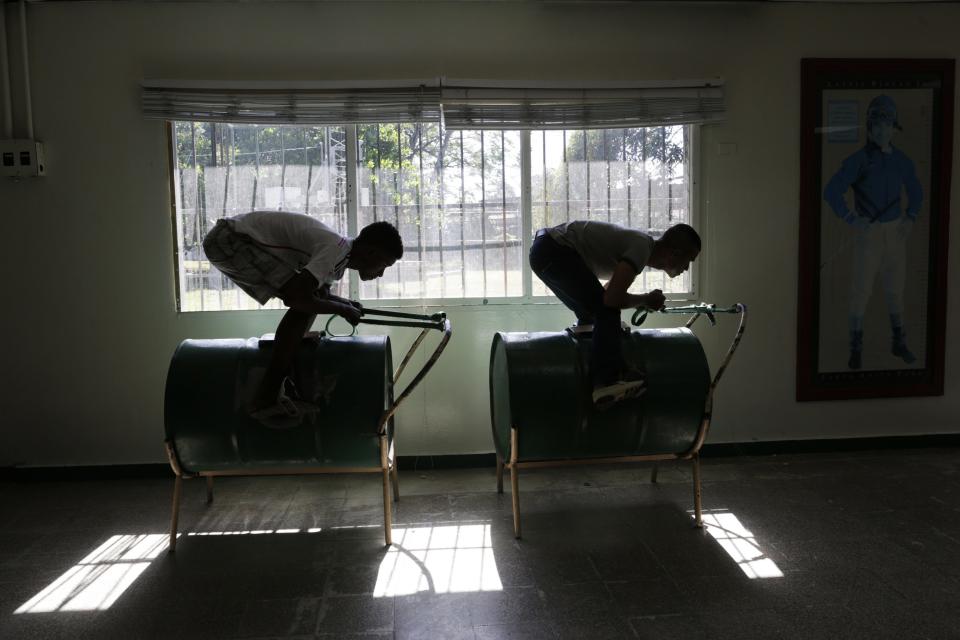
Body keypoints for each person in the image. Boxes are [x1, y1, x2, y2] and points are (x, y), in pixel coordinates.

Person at [202, 210, 403, 428]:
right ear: (371, 253)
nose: (381, 274)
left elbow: (318, 295)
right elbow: (297, 298)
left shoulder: (339, 257)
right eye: (384, 265)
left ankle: (272, 390)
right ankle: (266, 396)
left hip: (235, 238)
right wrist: (343, 310)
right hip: (230, 239)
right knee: (303, 304)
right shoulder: (334, 249)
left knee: (308, 303)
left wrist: (345, 304)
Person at [529, 219, 701, 408]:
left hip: (543, 252)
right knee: (606, 310)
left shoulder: (639, 249)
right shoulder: (641, 247)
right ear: (675, 253)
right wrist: (645, 299)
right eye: (689, 261)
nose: (686, 268)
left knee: (592, 313)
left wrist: (642, 301)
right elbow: (611, 300)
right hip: (554, 249)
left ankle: (591, 374)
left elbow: (607, 292)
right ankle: (607, 382)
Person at [823, 94, 923, 370]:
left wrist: (910, 218)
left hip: (896, 232)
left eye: (887, 124)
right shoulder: (858, 160)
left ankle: (898, 342)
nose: (882, 130)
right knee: (861, 290)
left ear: (894, 128)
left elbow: (916, 191)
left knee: (895, 290)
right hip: (869, 233)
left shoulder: (902, 160)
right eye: (877, 124)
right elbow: (832, 191)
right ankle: (856, 347)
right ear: (870, 127)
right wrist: (852, 218)